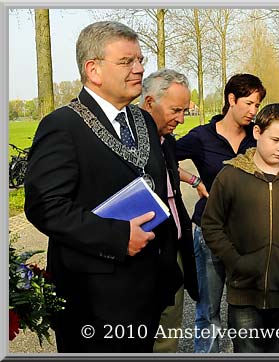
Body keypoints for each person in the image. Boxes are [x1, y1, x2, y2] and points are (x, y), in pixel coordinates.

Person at [24, 21, 181, 353]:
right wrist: (117, 236)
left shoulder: (143, 122)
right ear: (93, 70)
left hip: (148, 295)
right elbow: (45, 206)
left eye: (140, 60)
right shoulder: (62, 126)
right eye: (127, 62)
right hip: (93, 304)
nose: (139, 69)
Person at [201, 103, 279, 353]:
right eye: (275, 140)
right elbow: (211, 225)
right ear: (257, 133)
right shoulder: (230, 176)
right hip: (245, 295)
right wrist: (236, 262)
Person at [175, 73, 266, 353]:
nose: (254, 111)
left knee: (247, 311)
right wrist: (195, 181)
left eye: (258, 105)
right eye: (249, 103)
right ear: (231, 100)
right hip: (209, 232)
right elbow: (163, 157)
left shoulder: (257, 138)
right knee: (208, 310)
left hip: (248, 235)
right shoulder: (202, 137)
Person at [140, 68, 200, 353]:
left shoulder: (167, 142)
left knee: (168, 335)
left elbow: (170, 170)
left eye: (185, 110)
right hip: (144, 255)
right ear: (149, 102)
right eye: (176, 110)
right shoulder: (129, 144)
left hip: (173, 251)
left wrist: (194, 180)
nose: (181, 118)